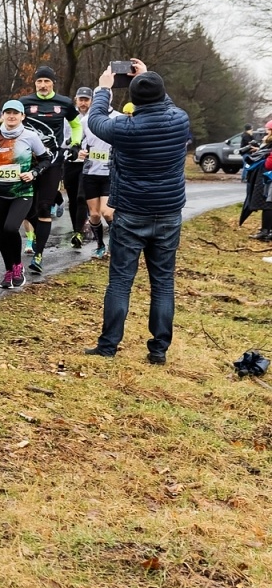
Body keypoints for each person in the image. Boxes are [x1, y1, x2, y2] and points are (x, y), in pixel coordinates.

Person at [84, 61, 191, 364]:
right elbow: (162, 103)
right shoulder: (180, 120)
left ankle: (108, 347)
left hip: (130, 213)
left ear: (134, 100)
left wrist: (104, 88)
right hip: (169, 213)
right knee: (163, 282)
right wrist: (145, 78)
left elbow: (96, 119)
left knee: (120, 282)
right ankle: (158, 351)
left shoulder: (124, 128)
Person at [0, 100, 49, 289]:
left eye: (15, 113)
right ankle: (8, 270)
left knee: (11, 228)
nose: (11, 116)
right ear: (3, 115)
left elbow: (45, 160)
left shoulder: (31, 137)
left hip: (22, 192)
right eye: (8, 113)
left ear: (22, 117)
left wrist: (33, 173)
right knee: (3, 233)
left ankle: (18, 266)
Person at [17, 65, 75, 274]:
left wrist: (74, 144)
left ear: (53, 83)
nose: (42, 85)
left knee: (43, 208)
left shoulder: (64, 103)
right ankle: (54, 203)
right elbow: (11, 124)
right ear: (35, 83)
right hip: (28, 163)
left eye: (46, 81)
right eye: (39, 81)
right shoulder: (25, 103)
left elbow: (76, 125)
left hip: (53, 163)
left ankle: (39, 255)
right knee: (27, 207)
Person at [78, 105, 114, 259]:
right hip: (90, 173)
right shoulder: (85, 120)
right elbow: (77, 142)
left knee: (107, 213)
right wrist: (80, 151)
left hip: (109, 173)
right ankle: (100, 245)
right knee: (94, 215)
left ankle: (114, 244)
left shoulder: (116, 118)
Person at [64, 87, 93, 248]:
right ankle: (77, 227)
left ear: (91, 101)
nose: (83, 103)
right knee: (73, 198)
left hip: (88, 163)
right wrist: (71, 148)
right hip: (70, 163)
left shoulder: (95, 117)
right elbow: (62, 139)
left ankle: (78, 232)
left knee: (82, 197)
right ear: (76, 100)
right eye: (81, 99)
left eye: (86, 100)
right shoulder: (68, 117)